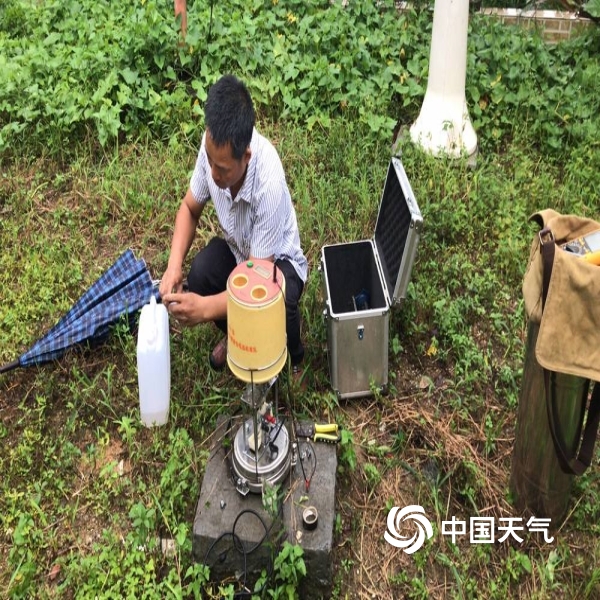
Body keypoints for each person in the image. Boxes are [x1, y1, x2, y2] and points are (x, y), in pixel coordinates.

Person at [160, 74, 308, 385]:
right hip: (241, 254)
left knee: (280, 300)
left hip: (276, 266)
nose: (214, 174)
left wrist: (204, 309)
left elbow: (258, 281)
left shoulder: (268, 183)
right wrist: (174, 267)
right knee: (201, 273)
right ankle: (237, 334)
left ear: (246, 157)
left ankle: (294, 357)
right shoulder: (213, 150)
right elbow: (189, 208)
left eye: (223, 169)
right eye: (210, 162)